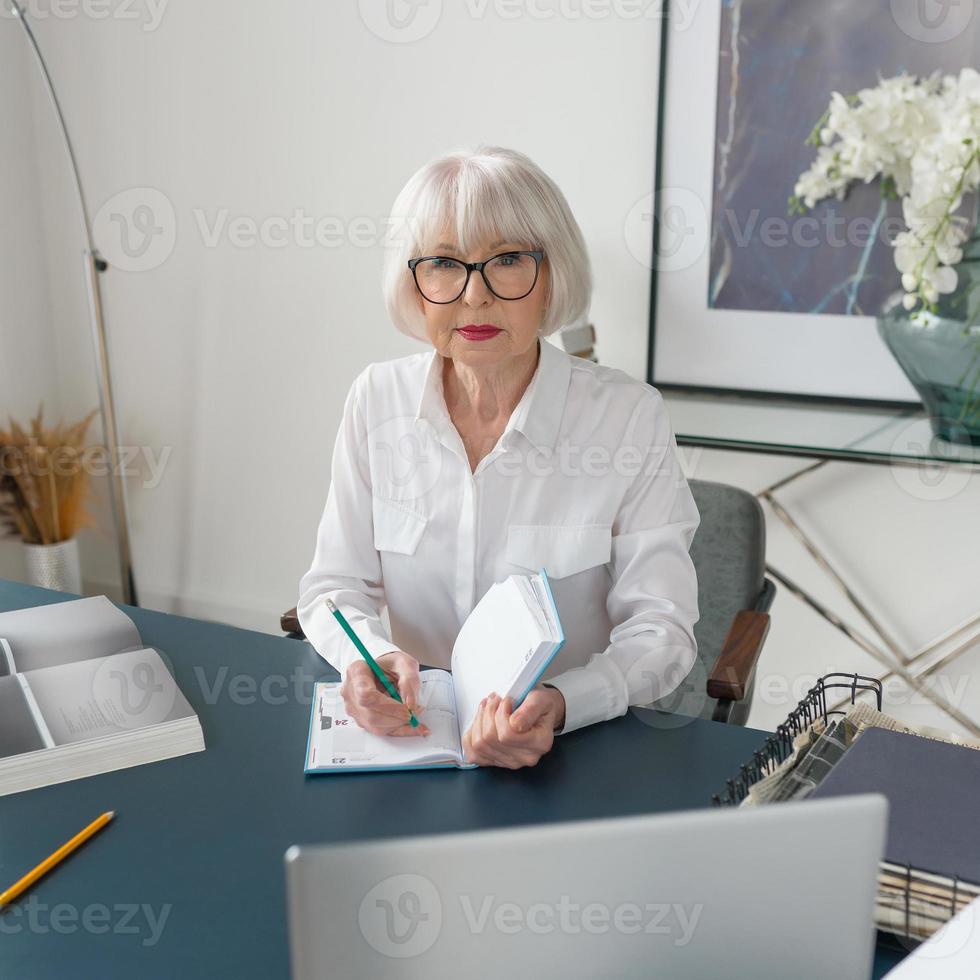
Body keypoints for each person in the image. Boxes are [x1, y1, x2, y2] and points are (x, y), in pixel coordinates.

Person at [297, 145, 700, 769]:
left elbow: (662, 629)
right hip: (413, 747)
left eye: (507, 261)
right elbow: (333, 587)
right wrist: (366, 658)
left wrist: (564, 703)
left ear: (553, 274)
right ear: (414, 282)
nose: (474, 298)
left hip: (570, 752)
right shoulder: (376, 399)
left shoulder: (627, 416)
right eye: (443, 264)